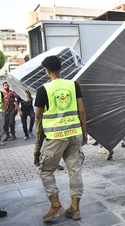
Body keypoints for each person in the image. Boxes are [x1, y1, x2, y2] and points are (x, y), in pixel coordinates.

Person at [35, 56, 87, 222]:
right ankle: (75, 208)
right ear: (61, 69)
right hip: (74, 134)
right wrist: (84, 133)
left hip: (56, 137)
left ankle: (55, 204)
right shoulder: (73, 85)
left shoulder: (43, 89)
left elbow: (38, 115)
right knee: (75, 169)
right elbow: (82, 111)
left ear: (47, 71)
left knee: (45, 170)